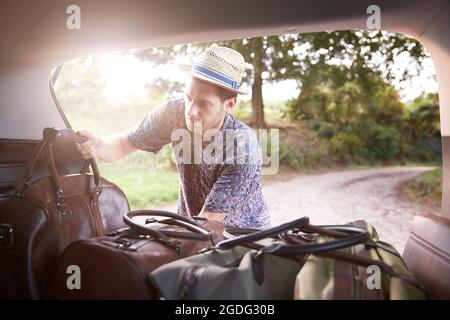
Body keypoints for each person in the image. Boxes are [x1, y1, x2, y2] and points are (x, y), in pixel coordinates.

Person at [75, 44, 270, 229]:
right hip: (195, 228)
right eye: (188, 98)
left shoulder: (243, 147)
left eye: (204, 103)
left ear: (229, 105)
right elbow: (123, 144)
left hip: (242, 240)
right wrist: (99, 146)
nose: (191, 111)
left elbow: (207, 222)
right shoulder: (173, 114)